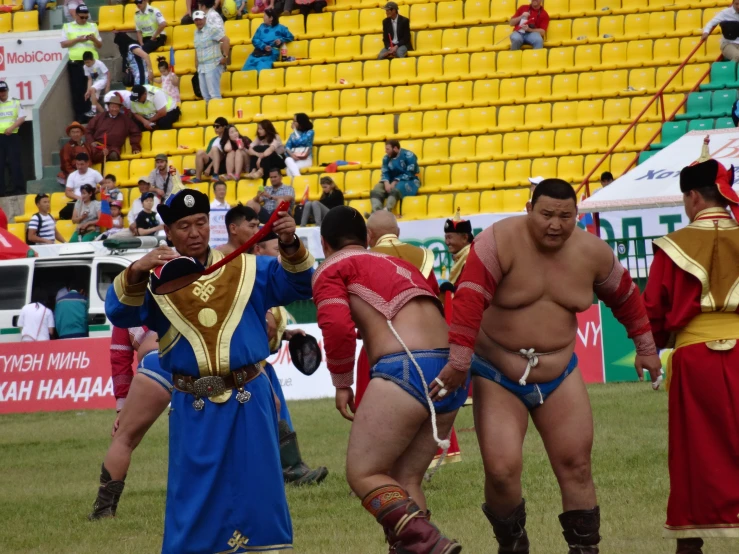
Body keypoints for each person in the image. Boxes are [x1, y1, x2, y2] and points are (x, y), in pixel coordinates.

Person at [445, 179, 662, 553]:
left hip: (560, 373)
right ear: (530, 209)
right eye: (546, 214)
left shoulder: (592, 252)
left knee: (577, 466)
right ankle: (512, 545)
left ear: (576, 216)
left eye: (565, 216)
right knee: (501, 472)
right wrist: (459, 360)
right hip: (498, 372)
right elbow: (469, 299)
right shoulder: (498, 241)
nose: (555, 224)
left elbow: (625, 295)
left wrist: (645, 346)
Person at [106, 188, 314, 553]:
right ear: (169, 232)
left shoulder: (248, 267)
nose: (194, 232)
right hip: (194, 405)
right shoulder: (157, 281)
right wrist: (137, 269)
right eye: (184, 225)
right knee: (194, 494)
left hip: (250, 399)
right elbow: (120, 314)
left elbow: (300, 284)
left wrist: (290, 241)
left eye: (200, 222)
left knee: (259, 487)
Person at [312, 206, 465, 553]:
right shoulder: (404, 264)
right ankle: (423, 544)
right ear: (367, 239)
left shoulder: (332, 266)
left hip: (406, 367)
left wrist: (341, 382)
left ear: (324, 243)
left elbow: (336, 325)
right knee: (404, 479)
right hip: (450, 369)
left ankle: (430, 543)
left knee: (363, 474)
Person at [643, 158, 739, 554]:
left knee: (694, 453)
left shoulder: (674, 245)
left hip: (695, 359)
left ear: (693, 196)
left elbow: (655, 307)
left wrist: (650, 345)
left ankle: (691, 542)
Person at [88, 326, 169, 520]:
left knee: (123, 439)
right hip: (200, 362)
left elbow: (120, 360)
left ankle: (104, 511)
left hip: (156, 363)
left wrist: (122, 409)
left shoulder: (128, 306)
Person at [61, 5, 102, 121]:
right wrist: (78, 39)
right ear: (76, 15)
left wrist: (93, 39)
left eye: (86, 17)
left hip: (92, 63)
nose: (84, 20)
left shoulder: (93, 26)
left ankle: (93, 115)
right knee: (78, 91)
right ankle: (80, 117)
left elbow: (99, 45)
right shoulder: (67, 26)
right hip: (76, 62)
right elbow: (63, 44)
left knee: (92, 89)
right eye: (82, 17)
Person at [85, 95, 142, 163]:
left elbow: (135, 132)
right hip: (97, 146)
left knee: (113, 155)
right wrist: (91, 142)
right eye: (112, 107)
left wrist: (135, 147)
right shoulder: (99, 117)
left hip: (113, 148)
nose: (114, 109)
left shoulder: (126, 120)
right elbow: (88, 130)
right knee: (87, 155)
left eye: (116, 107)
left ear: (120, 108)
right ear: (108, 107)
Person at [370, 139, 420, 213]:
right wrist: (386, 183)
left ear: (395, 148)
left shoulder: (409, 155)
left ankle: (387, 210)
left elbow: (410, 173)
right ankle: (376, 211)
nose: (385, 151)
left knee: (396, 189)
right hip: (390, 180)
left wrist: (395, 182)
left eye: (387, 149)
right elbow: (385, 171)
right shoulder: (386, 158)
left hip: (408, 180)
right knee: (377, 189)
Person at [193, 10, 231, 102]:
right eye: (196, 20)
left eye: (200, 19)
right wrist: (196, 63)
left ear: (205, 19)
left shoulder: (211, 29)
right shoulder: (195, 32)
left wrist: (225, 56)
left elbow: (226, 40)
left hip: (213, 65)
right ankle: (210, 115)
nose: (199, 22)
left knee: (214, 94)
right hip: (202, 67)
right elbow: (197, 48)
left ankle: (218, 114)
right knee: (205, 95)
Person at [0, 80, 26, 197]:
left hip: (12, 136)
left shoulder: (15, 102)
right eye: (0, 91)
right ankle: (1, 191)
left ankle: (19, 188)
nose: (2, 93)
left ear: (7, 90)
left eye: (4, 91)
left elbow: (21, 117)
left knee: (14, 163)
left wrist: (11, 128)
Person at [443, 210, 474, 288]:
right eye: (445, 238)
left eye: (449, 237)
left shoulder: (472, 258)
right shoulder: (461, 257)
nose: (446, 242)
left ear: (464, 238)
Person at [194, 117, 229, 181]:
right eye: (214, 126)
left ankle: (215, 174)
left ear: (224, 127)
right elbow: (209, 154)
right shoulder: (213, 140)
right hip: (211, 163)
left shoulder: (227, 139)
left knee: (214, 148)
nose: (215, 128)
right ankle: (197, 178)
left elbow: (223, 156)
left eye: (217, 126)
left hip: (222, 165)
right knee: (200, 152)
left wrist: (209, 167)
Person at [58, 121, 92, 185]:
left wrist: (103, 153)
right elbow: (66, 164)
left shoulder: (87, 145)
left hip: (86, 173)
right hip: (73, 175)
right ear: (70, 134)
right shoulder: (67, 147)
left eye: (77, 132)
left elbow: (94, 155)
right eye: (73, 132)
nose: (75, 134)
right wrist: (76, 175)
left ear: (81, 133)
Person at [284, 113, 314, 179]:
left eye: (294, 121)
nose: (293, 123)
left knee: (289, 170)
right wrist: (292, 155)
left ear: (300, 122)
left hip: (306, 159)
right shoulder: (293, 134)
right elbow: (286, 147)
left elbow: (301, 141)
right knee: (288, 159)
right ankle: (299, 180)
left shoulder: (310, 132)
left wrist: (295, 130)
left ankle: (297, 183)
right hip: (295, 159)